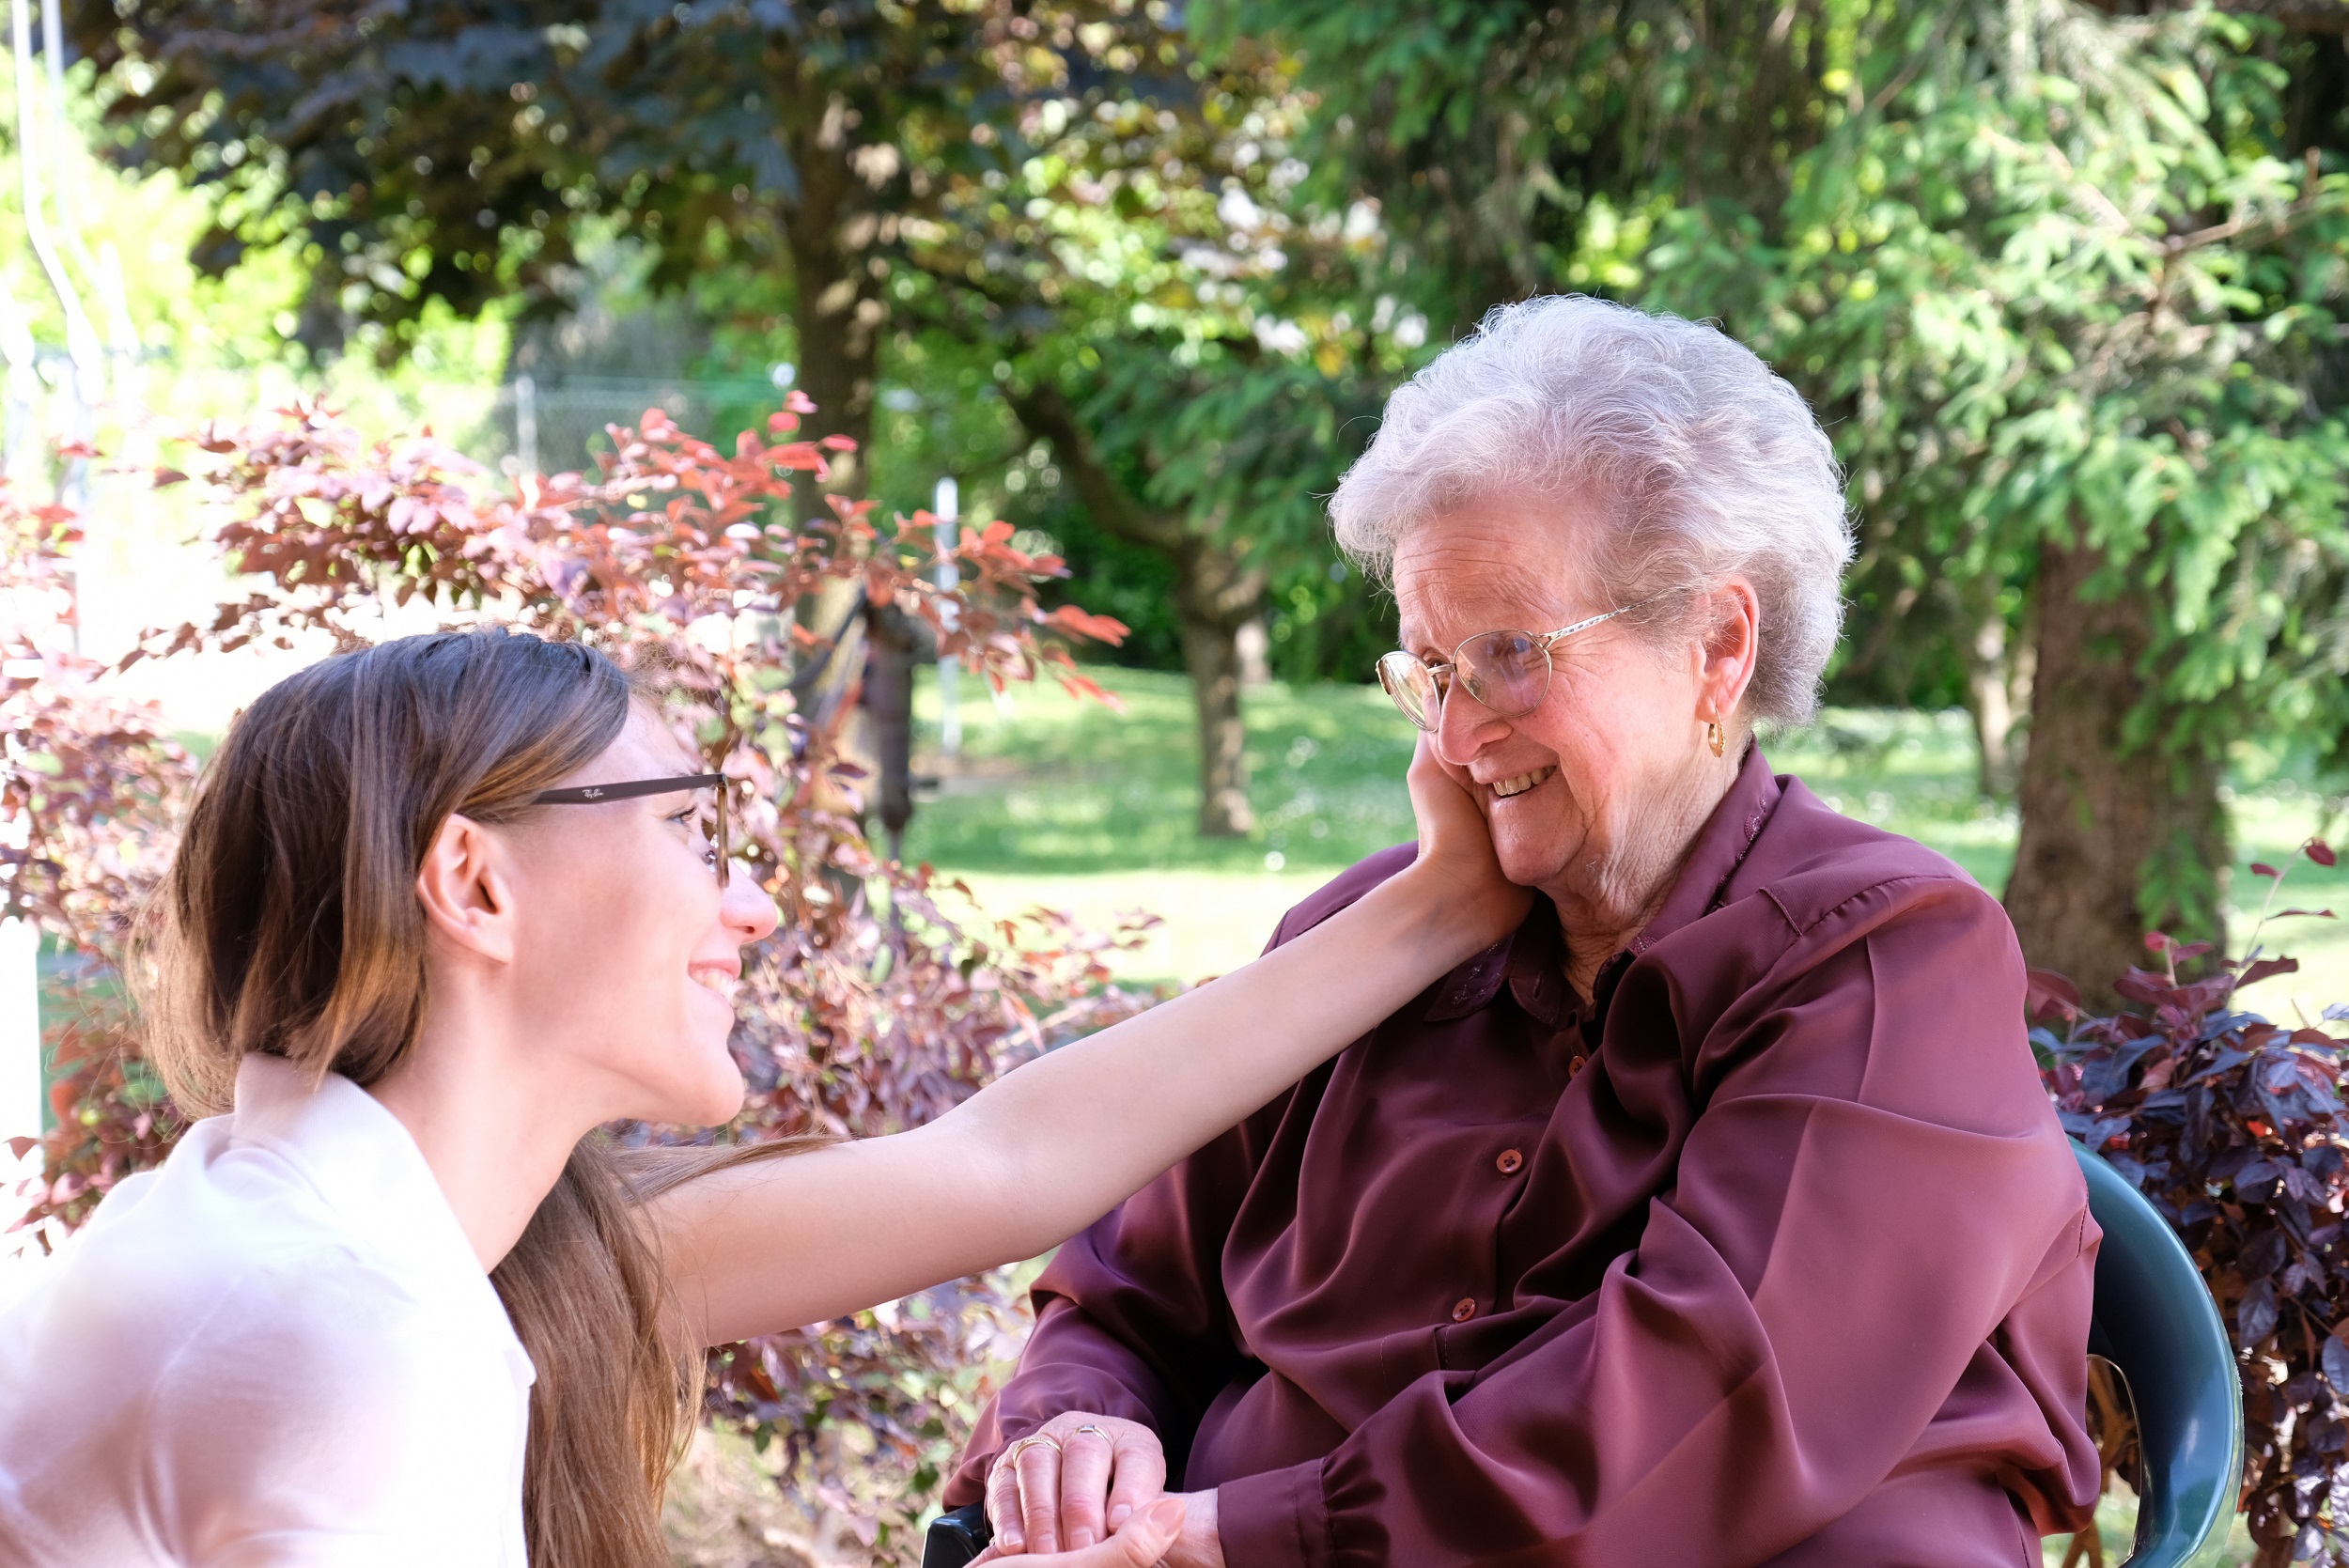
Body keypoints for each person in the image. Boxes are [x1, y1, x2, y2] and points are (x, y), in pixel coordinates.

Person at [946, 296, 2105, 1567]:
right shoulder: (1367, 942)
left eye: (1508, 657)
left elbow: (1695, 1403)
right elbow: (1125, 1282)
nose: (1450, 739)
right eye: (1428, 671)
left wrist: (1225, 1535)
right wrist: (1075, 1429)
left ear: (1716, 645)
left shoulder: (1886, 960)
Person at [0, 627, 1527, 1568]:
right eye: (683, 828)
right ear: (474, 881)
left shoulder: (355, 1221)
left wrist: (1441, 906)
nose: (744, 905)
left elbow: (1001, 1163)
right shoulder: (346, 1328)